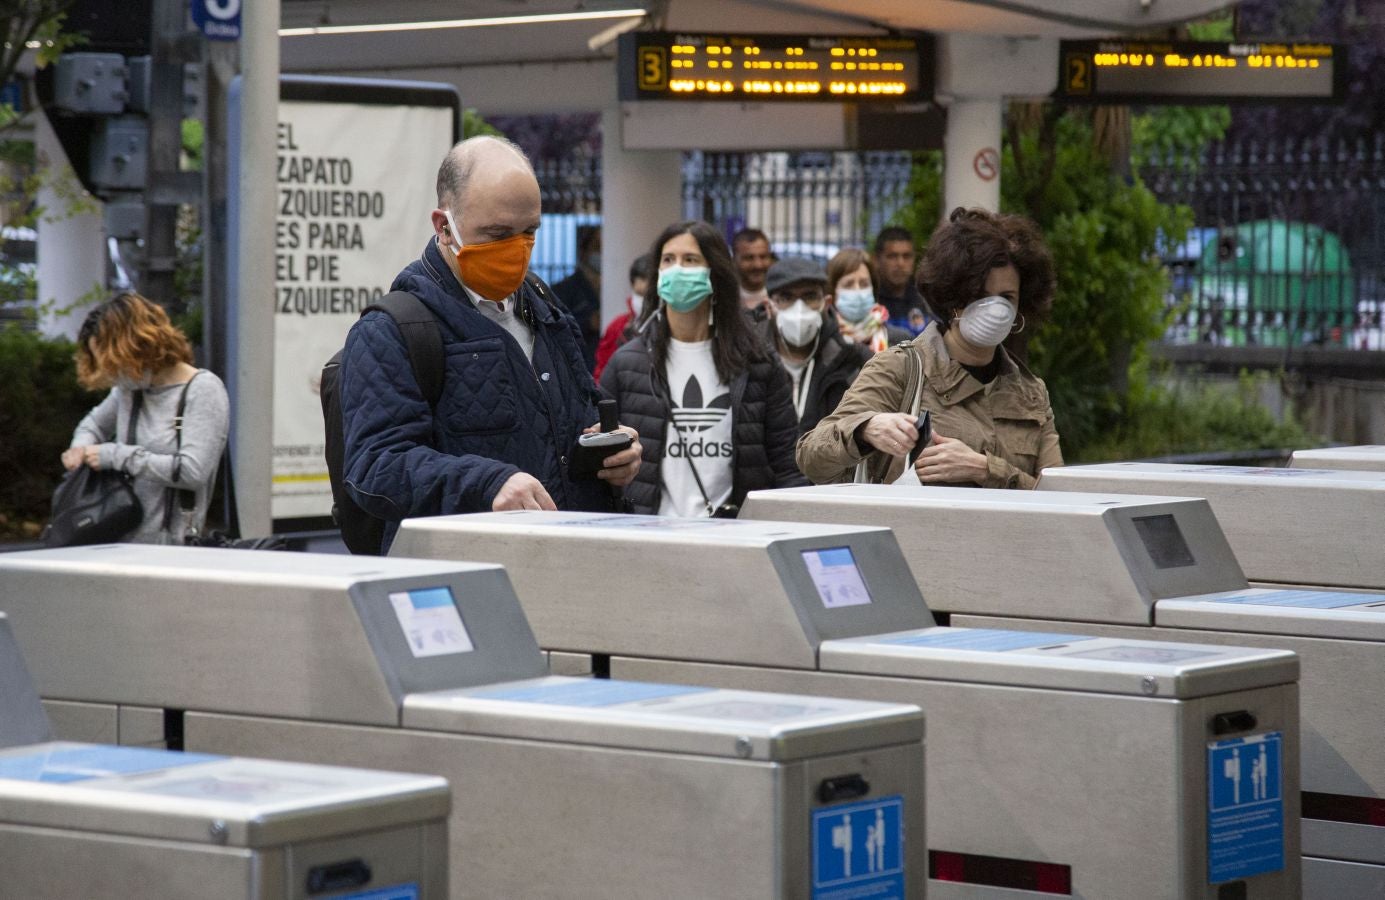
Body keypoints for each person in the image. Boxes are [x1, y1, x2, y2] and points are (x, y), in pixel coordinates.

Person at [340, 136, 642, 552]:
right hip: (464, 577)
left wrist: (610, 453)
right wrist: (488, 484)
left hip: (569, 566)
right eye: (497, 233)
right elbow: (375, 466)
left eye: (529, 231)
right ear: (444, 227)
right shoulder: (392, 330)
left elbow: (573, 424)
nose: (516, 250)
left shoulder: (548, 310)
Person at [797, 207, 1062, 490]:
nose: (995, 308)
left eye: (1006, 297)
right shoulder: (901, 368)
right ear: (953, 296)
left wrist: (987, 469)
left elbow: (1058, 498)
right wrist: (865, 429)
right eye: (981, 295)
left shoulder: (1030, 393)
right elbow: (811, 455)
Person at [600, 220, 805, 516]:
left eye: (691, 260)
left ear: (715, 272)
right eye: (668, 260)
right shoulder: (627, 363)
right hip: (650, 537)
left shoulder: (757, 361)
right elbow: (604, 462)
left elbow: (786, 462)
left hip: (736, 538)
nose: (677, 269)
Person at [64, 291, 229, 543]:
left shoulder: (202, 390)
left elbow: (193, 471)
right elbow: (94, 423)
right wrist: (80, 449)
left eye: (113, 363)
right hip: (113, 541)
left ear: (139, 345)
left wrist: (114, 456)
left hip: (169, 552)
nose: (111, 374)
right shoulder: (130, 389)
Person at [759, 256, 871, 436]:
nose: (799, 309)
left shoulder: (853, 360)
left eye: (809, 296)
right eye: (787, 297)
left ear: (826, 304)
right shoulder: (749, 359)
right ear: (769, 307)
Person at [827, 248, 911, 354]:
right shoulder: (824, 341)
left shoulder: (901, 341)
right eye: (848, 284)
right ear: (833, 292)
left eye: (864, 284)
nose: (858, 291)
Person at [593, 253, 652, 381]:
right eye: (639, 294)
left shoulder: (671, 327)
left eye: (648, 296)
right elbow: (602, 371)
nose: (643, 301)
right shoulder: (618, 327)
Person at [552, 224, 602, 369]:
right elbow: (554, 328)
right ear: (584, 252)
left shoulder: (618, 285)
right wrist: (588, 323)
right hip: (578, 365)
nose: (602, 253)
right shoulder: (563, 290)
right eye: (597, 247)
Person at [873, 226, 934, 335]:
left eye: (906, 256)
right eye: (892, 256)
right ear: (877, 260)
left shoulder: (927, 298)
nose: (900, 263)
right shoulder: (869, 301)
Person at [731, 227, 773, 312]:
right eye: (749, 258)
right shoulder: (724, 300)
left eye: (763, 257)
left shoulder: (781, 298)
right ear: (734, 260)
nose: (758, 265)